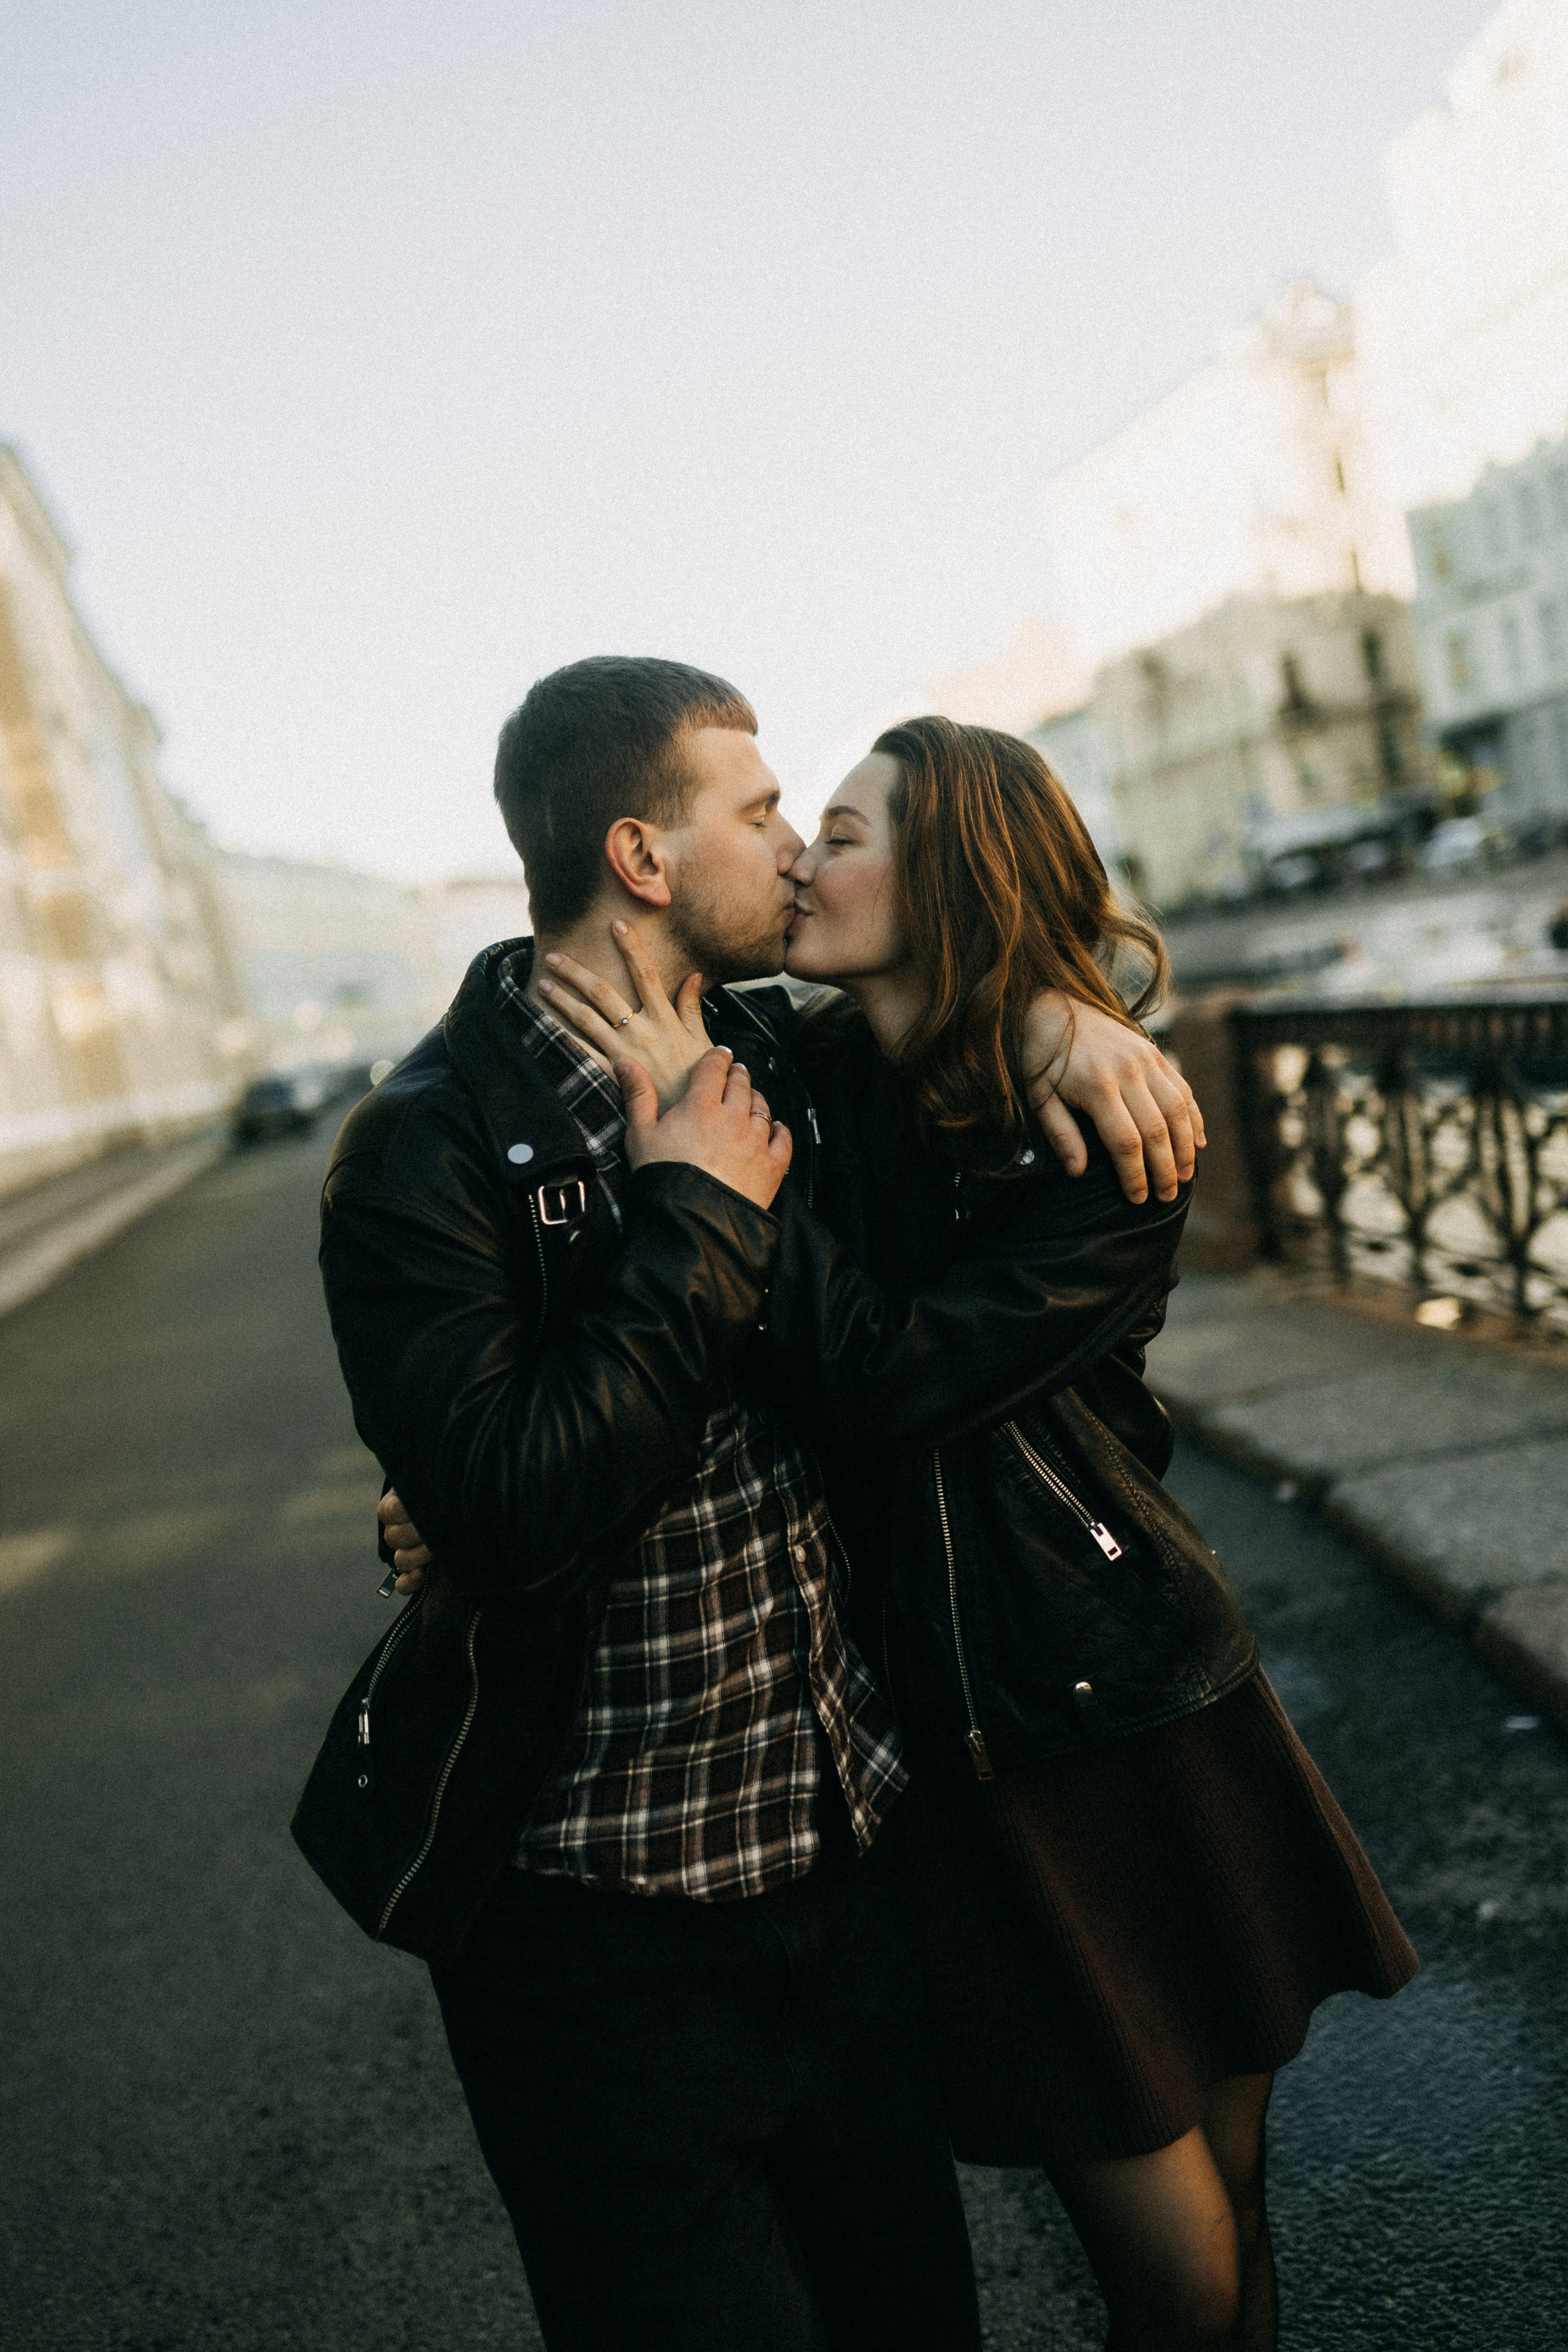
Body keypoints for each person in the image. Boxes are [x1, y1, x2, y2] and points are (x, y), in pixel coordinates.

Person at [293, 658, 1202, 2352]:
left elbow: (941, 1013)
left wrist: (1053, 1014)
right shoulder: (422, 1146)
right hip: (598, 1932)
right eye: (766, 810)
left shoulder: (784, 1055)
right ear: (642, 857)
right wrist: (697, 1219)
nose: (797, 850)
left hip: (847, 1871)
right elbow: (504, 1510)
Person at [506, 715, 1418, 2352]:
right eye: (797, 823)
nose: (798, 856)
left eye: (839, 832)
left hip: (1130, 1693)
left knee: (1236, 2198)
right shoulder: (809, 1073)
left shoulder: (1095, 1135)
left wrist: (1060, 1030)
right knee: (1175, 2270)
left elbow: (894, 1378)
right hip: (974, 1747)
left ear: (953, 877)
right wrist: (455, 1475)